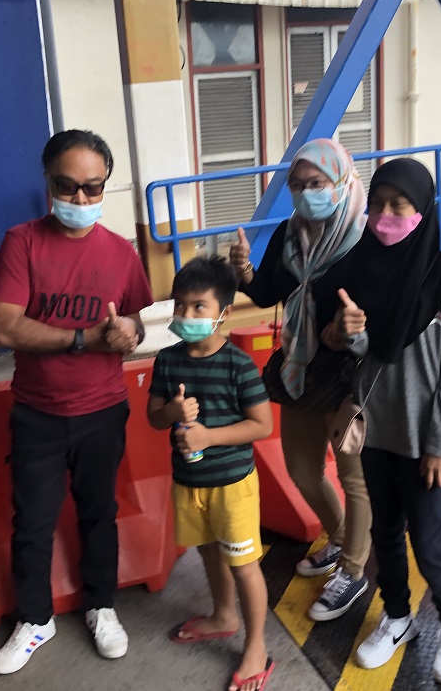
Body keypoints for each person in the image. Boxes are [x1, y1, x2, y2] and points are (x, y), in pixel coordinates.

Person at [0, 129, 153, 673]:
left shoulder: (122, 253)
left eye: (92, 188)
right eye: (67, 186)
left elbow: (140, 321)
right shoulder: (22, 242)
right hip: (37, 412)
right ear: (47, 183)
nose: (80, 200)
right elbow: (5, 327)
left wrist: (129, 332)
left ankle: (101, 606)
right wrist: (83, 338)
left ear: (105, 186)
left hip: (103, 410)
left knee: (99, 515)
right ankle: (35, 620)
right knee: (32, 522)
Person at [340, 158, 441, 685]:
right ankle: (398, 618)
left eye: (399, 205)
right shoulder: (361, 270)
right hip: (377, 430)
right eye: (376, 204)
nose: (384, 216)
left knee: (428, 539)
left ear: (422, 210)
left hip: (427, 440)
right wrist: (351, 333)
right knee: (386, 533)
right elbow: (365, 355)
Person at [230, 137, 373, 621]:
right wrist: (245, 270)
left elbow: (385, 311)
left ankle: (352, 570)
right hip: (302, 366)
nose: (307, 192)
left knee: (355, 477)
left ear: (342, 180)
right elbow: (271, 290)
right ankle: (337, 539)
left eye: (317, 183)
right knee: (302, 470)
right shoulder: (292, 234)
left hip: (353, 373)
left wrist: (353, 330)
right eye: (298, 184)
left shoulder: (369, 238)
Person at [147, 256, 275, 691]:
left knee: (244, 565)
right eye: (179, 305)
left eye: (198, 307)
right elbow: (154, 418)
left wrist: (209, 437)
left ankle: (256, 644)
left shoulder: (239, 366)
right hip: (189, 483)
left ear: (224, 312)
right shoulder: (167, 361)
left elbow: (262, 425)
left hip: (232, 486)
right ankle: (223, 615)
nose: (186, 315)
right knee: (207, 551)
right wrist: (171, 410)